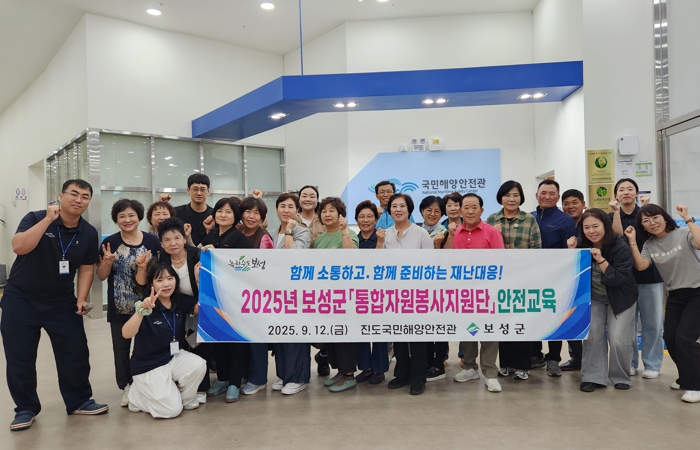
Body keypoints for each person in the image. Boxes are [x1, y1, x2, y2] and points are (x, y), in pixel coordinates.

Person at [1, 179, 108, 431]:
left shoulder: (88, 232)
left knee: (75, 353)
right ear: (61, 196)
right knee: (20, 357)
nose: (78, 200)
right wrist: (48, 220)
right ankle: (25, 408)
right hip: (21, 300)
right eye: (73, 194)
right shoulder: (35, 217)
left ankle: (79, 401)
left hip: (61, 301)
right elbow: (19, 246)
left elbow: (86, 268)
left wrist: (81, 298)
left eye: (85, 196)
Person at [625, 204, 700, 403]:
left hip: (697, 291)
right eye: (646, 221)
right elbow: (641, 266)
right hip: (675, 294)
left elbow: (699, 243)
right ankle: (687, 376)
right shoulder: (650, 245)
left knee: (685, 337)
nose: (652, 223)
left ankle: (695, 385)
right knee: (671, 338)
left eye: (655, 217)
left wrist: (688, 218)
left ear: (664, 217)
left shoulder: (683, 233)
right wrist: (632, 241)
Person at [135, 217, 211, 404]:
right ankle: (177, 386)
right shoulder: (160, 258)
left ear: (185, 238)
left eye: (177, 238)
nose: (173, 243)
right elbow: (143, 283)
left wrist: (200, 299)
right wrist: (142, 268)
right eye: (167, 240)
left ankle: (200, 387)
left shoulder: (197, 254)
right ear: (161, 243)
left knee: (199, 342)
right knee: (179, 343)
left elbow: (212, 280)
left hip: (197, 302)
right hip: (174, 306)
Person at [96, 199, 162, 407]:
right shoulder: (110, 243)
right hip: (119, 305)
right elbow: (101, 275)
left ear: (139, 217)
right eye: (122, 216)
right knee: (121, 348)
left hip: (147, 304)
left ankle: (145, 382)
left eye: (131, 215)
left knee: (147, 345)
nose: (127, 219)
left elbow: (159, 272)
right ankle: (126, 385)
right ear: (116, 220)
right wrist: (107, 263)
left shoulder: (152, 241)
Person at [123, 263, 207, 418]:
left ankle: (183, 399)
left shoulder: (179, 300)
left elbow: (201, 307)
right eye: (160, 280)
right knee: (171, 411)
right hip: (149, 366)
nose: (166, 284)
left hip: (172, 357)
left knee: (199, 365)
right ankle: (136, 397)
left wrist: (198, 280)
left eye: (170, 278)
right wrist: (141, 311)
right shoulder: (146, 304)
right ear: (151, 284)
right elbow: (126, 334)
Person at [568, 209, 638, 392]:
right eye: (586, 227)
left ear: (605, 226)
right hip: (594, 298)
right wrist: (571, 252)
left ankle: (620, 376)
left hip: (621, 297)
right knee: (592, 335)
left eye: (595, 226)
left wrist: (600, 259)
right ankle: (592, 377)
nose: (591, 231)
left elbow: (618, 278)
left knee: (618, 338)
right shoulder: (581, 245)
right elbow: (572, 274)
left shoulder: (620, 246)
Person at [446, 193, 505, 393]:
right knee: (468, 329)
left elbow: (500, 263)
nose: (470, 211)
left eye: (474, 207)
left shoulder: (491, 233)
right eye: (466, 207)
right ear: (460, 210)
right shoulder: (457, 234)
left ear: (481, 210)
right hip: (465, 293)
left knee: (489, 331)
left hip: (488, 292)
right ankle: (470, 367)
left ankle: (490, 373)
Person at [486, 181, 541, 381]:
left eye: (516, 195)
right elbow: (484, 249)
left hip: (522, 278)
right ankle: (505, 364)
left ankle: (522, 366)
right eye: (507, 195)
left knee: (521, 322)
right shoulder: (491, 219)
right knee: (503, 322)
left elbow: (537, 248)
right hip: (499, 279)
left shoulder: (529, 219)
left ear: (521, 198)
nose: (511, 199)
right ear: (500, 198)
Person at [609, 178, 664, 379]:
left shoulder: (646, 214)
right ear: (616, 195)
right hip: (624, 279)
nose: (626, 192)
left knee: (652, 323)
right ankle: (629, 363)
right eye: (621, 189)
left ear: (636, 193)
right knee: (626, 326)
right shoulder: (611, 216)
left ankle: (652, 364)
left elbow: (654, 234)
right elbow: (616, 238)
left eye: (630, 189)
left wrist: (647, 208)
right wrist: (616, 212)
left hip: (650, 276)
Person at [201, 198, 252, 403]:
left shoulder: (241, 239)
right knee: (218, 340)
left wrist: (218, 253)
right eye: (220, 211)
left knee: (236, 342)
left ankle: (234, 383)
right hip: (213, 297)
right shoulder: (210, 235)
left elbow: (246, 268)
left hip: (234, 299)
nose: (223, 215)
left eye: (229, 212)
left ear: (236, 216)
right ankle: (222, 379)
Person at [381, 193, 433, 395]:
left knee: (417, 337)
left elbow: (430, 265)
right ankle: (402, 374)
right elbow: (378, 264)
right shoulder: (385, 234)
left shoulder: (421, 234)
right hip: (393, 294)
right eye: (394, 206)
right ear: (389, 211)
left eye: (402, 206)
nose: (398, 209)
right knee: (398, 336)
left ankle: (419, 377)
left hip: (417, 293)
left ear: (409, 209)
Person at [531, 180, 578, 377]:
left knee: (554, 317)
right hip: (532, 276)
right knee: (533, 315)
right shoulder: (529, 218)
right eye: (543, 193)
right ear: (536, 195)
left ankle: (553, 359)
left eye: (552, 193)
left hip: (556, 277)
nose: (547, 197)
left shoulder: (565, 220)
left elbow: (570, 251)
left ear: (558, 197)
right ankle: (535, 355)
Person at [267, 193, 312, 394]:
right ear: (277, 210)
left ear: (297, 210)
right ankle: (284, 374)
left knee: (296, 334)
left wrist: (290, 231)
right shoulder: (270, 233)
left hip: (296, 291)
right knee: (280, 334)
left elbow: (292, 257)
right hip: (275, 291)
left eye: (291, 207)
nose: (286, 210)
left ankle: (299, 377)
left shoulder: (303, 232)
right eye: (282, 206)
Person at [314, 197, 360, 392]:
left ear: (340, 214)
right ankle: (340, 371)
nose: (327, 214)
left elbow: (351, 258)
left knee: (344, 335)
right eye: (324, 211)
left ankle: (349, 375)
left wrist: (343, 231)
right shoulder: (320, 239)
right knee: (332, 336)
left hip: (344, 295)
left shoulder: (349, 233)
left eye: (331, 210)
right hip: (325, 295)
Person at [237, 196, 274, 396]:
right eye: (248, 211)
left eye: (256, 213)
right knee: (242, 337)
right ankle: (245, 374)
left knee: (257, 339)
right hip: (236, 295)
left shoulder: (264, 237)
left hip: (257, 296)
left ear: (262, 217)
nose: (251, 216)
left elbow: (267, 269)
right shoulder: (237, 231)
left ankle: (259, 379)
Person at [295, 185, 330, 375]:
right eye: (304, 195)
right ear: (299, 198)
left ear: (317, 199)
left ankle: (323, 355)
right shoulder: (292, 219)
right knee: (300, 323)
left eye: (312, 196)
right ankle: (300, 368)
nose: (308, 199)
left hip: (321, 279)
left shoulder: (324, 218)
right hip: (296, 279)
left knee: (322, 322)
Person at [354, 200, 389, 384]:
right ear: (356, 219)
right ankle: (365, 367)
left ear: (376, 219)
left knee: (378, 331)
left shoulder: (383, 238)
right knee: (361, 331)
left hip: (379, 293)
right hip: (358, 293)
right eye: (362, 217)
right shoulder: (353, 240)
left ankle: (379, 369)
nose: (365, 220)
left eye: (369, 216)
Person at [418, 195, 450, 381]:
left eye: (437, 211)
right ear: (422, 211)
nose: (432, 214)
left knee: (440, 327)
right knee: (426, 327)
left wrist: (438, 245)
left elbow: (446, 262)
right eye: (428, 210)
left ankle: (439, 364)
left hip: (439, 287)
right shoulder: (415, 231)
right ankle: (427, 361)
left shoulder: (445, 233)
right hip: (420, 287)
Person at [559, 188, 588, 371]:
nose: (570, 206)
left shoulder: (591, 222)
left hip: (589, 278)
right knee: (571, 317)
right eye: (566, 203)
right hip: (569, 279)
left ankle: (591, 359)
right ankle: (576, 356)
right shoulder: (563, 223)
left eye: (575, 202)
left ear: (583, 204)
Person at [160, 174, 214, 247]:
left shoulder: (214, 215)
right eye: (195, 189)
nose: (199, 193)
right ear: (188, 190)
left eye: (202, 189)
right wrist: (160, 205)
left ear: (208, 191)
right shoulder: (176, 212)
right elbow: (157, 228)